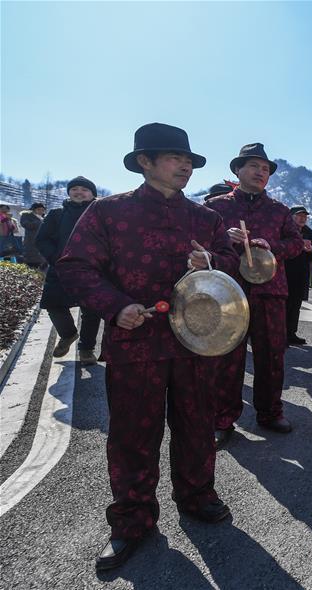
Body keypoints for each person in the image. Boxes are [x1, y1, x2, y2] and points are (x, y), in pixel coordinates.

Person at [56, 123, 239, 570]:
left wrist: (211, 262)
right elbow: (75, 266)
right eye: (176, 159)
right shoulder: (107, 213)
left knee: (196, 424)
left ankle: (197, 495)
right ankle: (132, 521)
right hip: (134, 342)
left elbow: (237, 265)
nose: (185, 167)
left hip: (196, 341)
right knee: (132, 436)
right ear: (145, 162)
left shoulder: (206, 219)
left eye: (190, 162)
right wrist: (115, 307)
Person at [206, 143, 303, 446]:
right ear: (237, 170)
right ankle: (223, 418)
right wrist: (224, 238)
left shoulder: (279, 211)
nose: (261, 173)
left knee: (272, 355)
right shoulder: (216, 206)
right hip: (229, 291)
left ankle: (270, 412)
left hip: (269, 291)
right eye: (254, 166)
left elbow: (296, 245)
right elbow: (198, 242)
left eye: (265, 169)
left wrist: (270, 244)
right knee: (227, 357)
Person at [35, 177, 103, 364]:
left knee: (91, 311)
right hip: (60, 268)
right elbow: (42, 239)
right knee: (53, 304)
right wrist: (56, 258)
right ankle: (68, 334)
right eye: (75, 189)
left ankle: (86, 350)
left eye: (84, 189)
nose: (79, 192)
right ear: (68, 192)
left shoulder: (101, 215)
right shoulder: (56, 214)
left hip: (92, 269)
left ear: (93, 194)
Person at [285, 206, 312, 346]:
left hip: (301, 272)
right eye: (299, 215)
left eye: (305, 216)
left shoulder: (309, 233)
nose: (303, 218)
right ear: (291, 216)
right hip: (286, 271)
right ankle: (280, 334)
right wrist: (297, 245)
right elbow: (282, 249)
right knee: (284, 303)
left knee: (296, 304)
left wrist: (310, 251)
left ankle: (291, 333)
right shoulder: (285, 231)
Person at [19, 202, 47, 269]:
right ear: (34, 210)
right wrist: (39, 222)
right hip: (31, 241)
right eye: (39, 209)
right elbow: (26, 224)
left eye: (42, 210)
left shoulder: (45, 217)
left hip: (43, 242)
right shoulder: (26, 215)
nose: (41, 211)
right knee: (31, 262)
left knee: (43, 263)